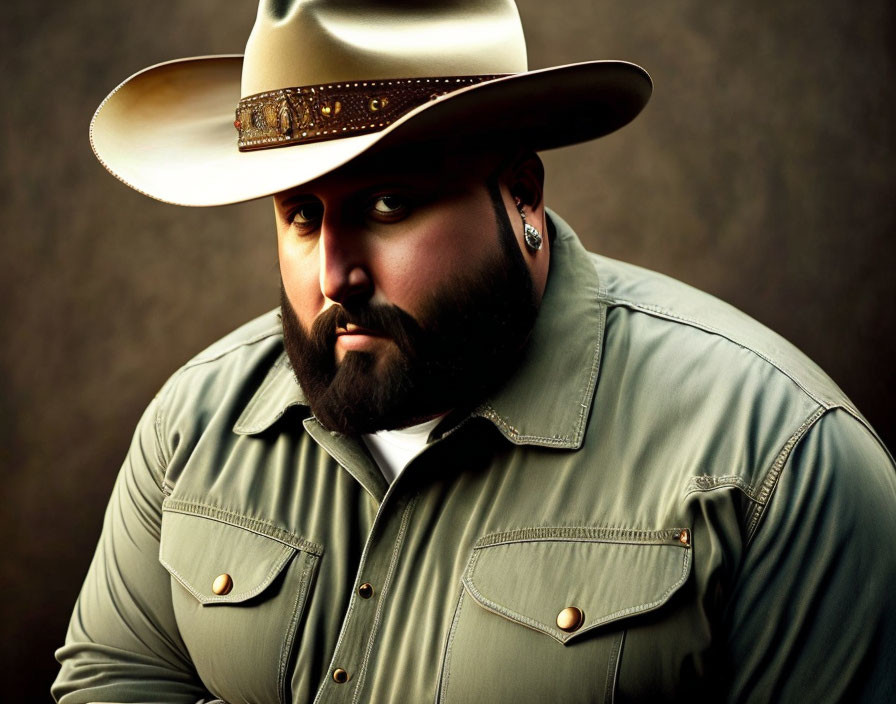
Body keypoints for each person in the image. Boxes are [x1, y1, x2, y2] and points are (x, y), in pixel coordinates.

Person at [53, 1, 896, 702]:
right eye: (301, 214)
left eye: (388, 203)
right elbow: (115, 681)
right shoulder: (194, 425)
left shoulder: (781, 457)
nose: (334, 273)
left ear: (521, 193)